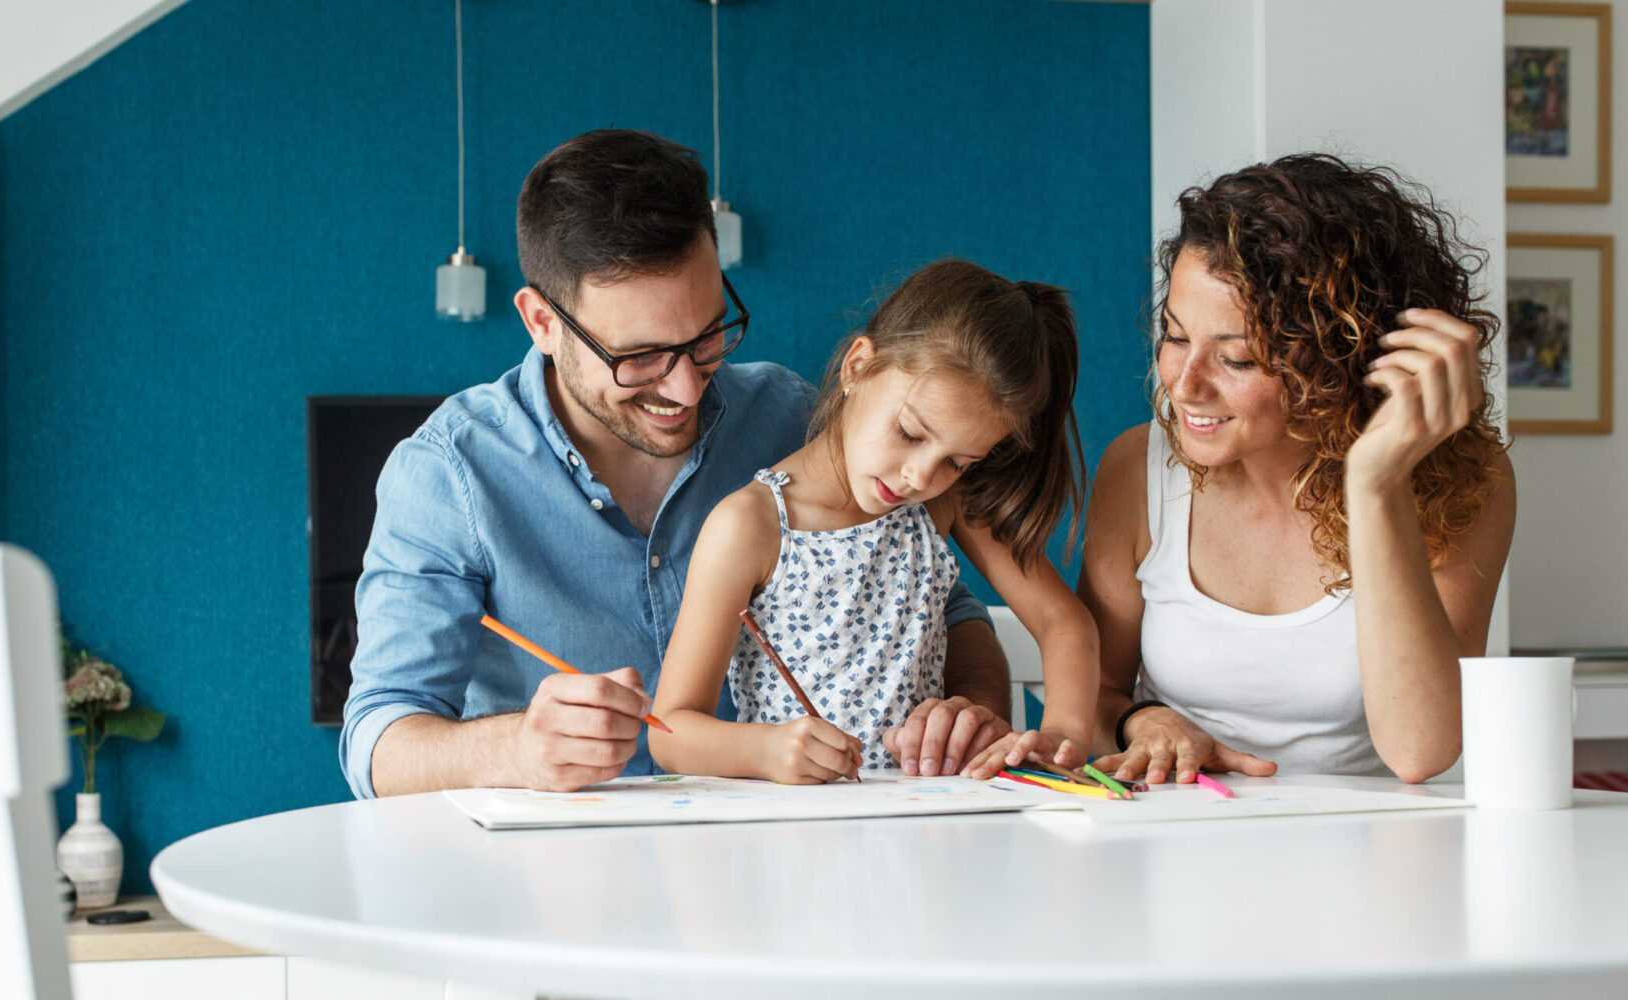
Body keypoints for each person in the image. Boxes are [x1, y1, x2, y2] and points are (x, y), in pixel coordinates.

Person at [341, 130, 1016, 798]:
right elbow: (378, 744)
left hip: (781, 859)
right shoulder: (449, 473)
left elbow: (945, 601)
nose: (687, 389)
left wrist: (971, 706)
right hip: (561, 875)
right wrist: (517, 748)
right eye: (639, 357)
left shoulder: (788, 418)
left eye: (707, 337)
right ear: (542, 322)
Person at [1077, 153, 1516, 785]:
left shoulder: (1465, 480)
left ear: (1339, 360)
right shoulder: (1139, 468)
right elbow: (1091, 694)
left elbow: (1422, 751)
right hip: (1183, 840)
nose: (1185, 384)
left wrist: (1377, 485)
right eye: (1175, 337)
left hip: (1377, 852)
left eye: (1239, 359)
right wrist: (1139, 722)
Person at [649, 259, 1099, 784]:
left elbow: (1063, 621)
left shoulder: (943, 502)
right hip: (796, 832)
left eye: (958, 462)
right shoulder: (751, 525)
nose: (919, 476)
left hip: (925, 821)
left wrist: (1064, 736)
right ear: (858, 366)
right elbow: (669, 730)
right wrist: (765, 750)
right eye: (911, 432)